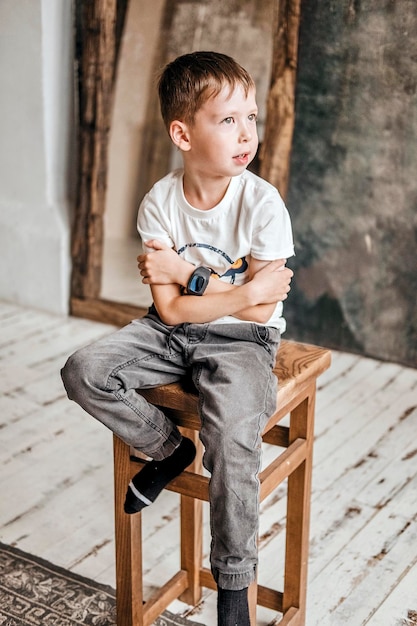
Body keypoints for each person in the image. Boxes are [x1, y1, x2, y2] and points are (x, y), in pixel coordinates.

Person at [61, 50, 294, 626]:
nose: (247, 134)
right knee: (84, 369)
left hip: (243, 342)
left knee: (233, 433)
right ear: (182, 133)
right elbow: (169, 307)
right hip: (167, 331)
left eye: (252, 118)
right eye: (228, 120)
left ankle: (233, 586)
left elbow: (264, 309)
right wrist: (238, 290)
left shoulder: (262, 203)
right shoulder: (159, 203)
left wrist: (194, 279)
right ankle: (168, 450)